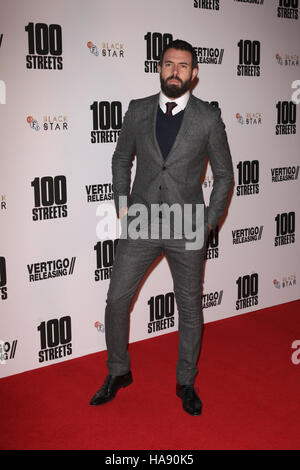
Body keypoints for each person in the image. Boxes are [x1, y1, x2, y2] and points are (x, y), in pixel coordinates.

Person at [90, 39, 234, 416]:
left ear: (194, 73)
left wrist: (206, 224)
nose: (175, 71)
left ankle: (185, 380)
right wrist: (122, 205)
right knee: (117, 299)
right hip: (140, 219)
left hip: (187, 223)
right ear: (159, 68)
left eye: (183, 66)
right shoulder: (138, 111)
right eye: (169, 64)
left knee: (189, 307)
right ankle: (118, 371)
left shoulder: (207, 118)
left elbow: (224, 176)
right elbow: (121, 158)